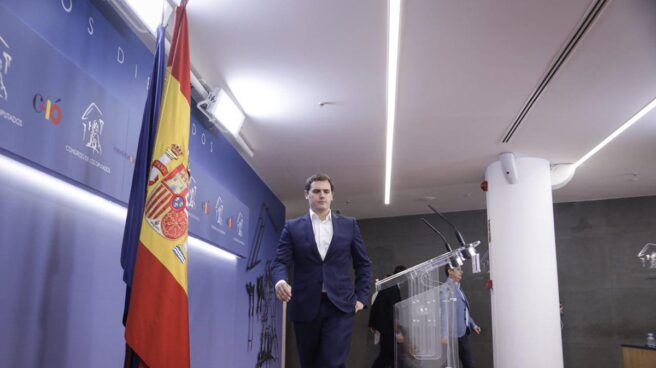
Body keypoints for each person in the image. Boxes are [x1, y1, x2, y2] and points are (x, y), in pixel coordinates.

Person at [272, 174, 372, 368]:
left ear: (332, 196)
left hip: (340, 306)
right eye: (316, 191)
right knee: (309, 362)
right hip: (305, 305)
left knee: (332, 362)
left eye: (326, 191)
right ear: (306, 195)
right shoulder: (292, 227)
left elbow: (363, 263)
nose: (322, 195)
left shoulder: (349, 225)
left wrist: (361, 297)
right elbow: (280, 262)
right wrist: (280, 282)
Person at [441, 265, 481, 368]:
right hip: (454, 335)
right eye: (458, 269)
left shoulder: (458, 288)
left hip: (462, 333)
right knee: (457, 364)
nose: (461, 272)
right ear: (450, 271)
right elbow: (444, 313)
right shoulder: (446, 289)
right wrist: (444, 335)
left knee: (464, 363)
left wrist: (473, 325)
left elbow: (463, 311)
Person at [368, 265, 407, 368]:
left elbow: (376, 306)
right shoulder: (393, 289)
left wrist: (372, 324)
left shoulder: (388, 286)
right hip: (387, 329)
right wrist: (398, 333)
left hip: (384, 327)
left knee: (387, 356)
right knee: (387, 356)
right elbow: (393, 312)